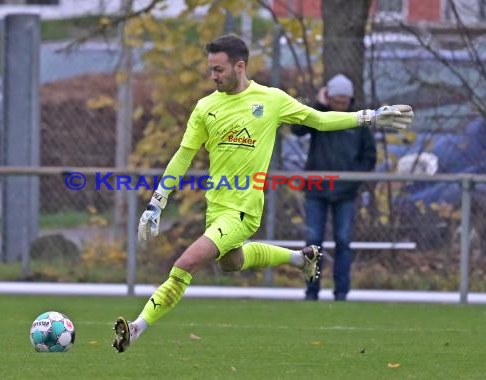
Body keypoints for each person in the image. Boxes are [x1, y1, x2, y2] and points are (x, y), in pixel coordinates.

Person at [112, 34, 413, 353]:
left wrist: (367, 117)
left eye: (219, 69)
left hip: (244, 209)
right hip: (216, 208)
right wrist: (157, 202)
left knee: (185, 264)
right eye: (210, 70)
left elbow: (320, 120)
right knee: (231, 263)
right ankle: (300, 258)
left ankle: (137, 327)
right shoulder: (206, 107)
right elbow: (183, 155)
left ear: (239, 66)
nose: (213, 76)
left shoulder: (271, 100)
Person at [292, 74, 377, 302]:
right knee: (313, 240)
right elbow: (297, 129)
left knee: (343, 240)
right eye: (336, 100)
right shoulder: (319, 117)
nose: (340, 105)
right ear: (328, 98)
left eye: (344, 101)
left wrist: (352, 180)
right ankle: (311, 291)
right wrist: (318, 106)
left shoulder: (358, 123)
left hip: (346, 192)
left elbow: (369, 156)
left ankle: (341, 292)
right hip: (316, 189)